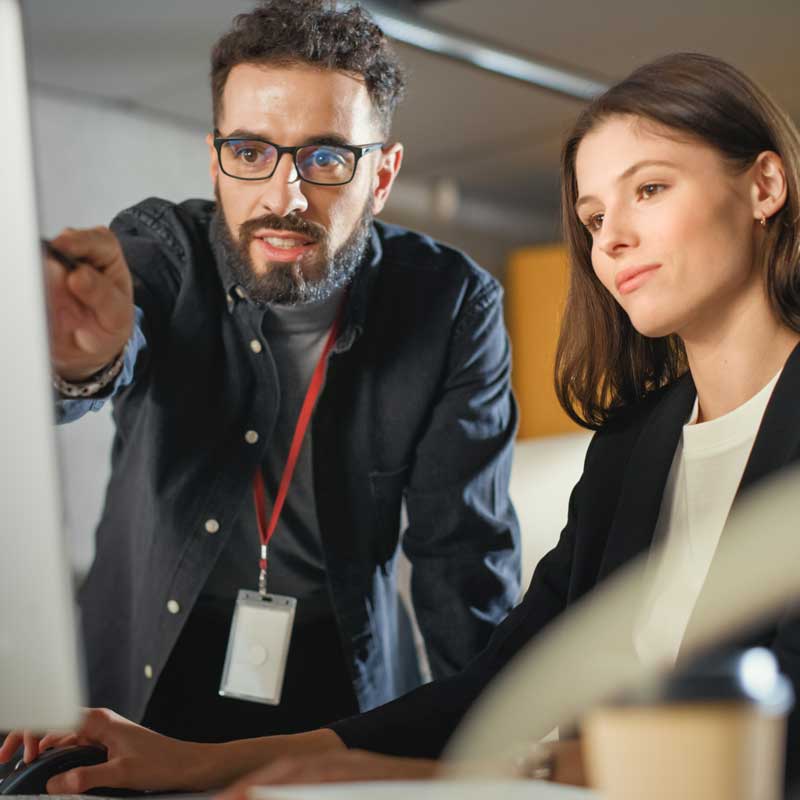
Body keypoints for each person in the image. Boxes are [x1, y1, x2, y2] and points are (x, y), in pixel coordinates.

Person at [10, 49, 799, 795]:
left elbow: (467, 573)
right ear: (215, 161)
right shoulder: (632, 448)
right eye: (592, 218)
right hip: (154, 681)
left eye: (650, 189)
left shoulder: (448, 303)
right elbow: (500, 682)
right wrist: (196, 762)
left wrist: (452, 778)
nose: (613, 239)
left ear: (765, 186)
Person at [22, 0, 521, 747]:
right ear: (215, 158)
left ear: (382, 176)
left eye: (325, 159)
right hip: (150, 665)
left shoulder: (450, 306)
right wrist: (81, 361)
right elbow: (104, 355)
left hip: (341, 670)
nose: (283, 197)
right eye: (251, 152)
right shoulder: (162, 250)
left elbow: (464, 556)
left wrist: (494, 746)